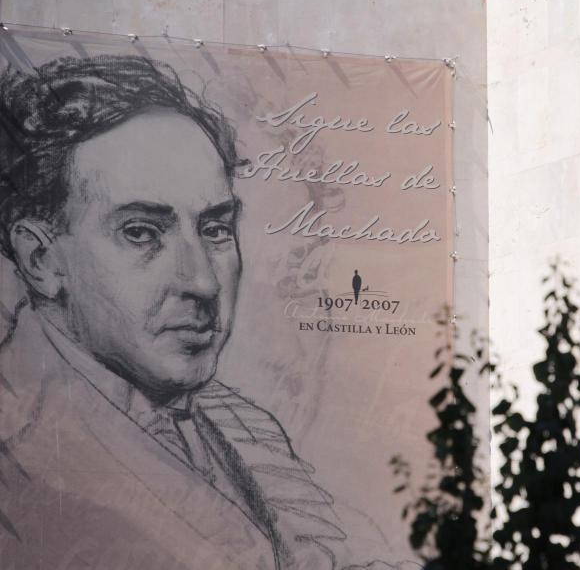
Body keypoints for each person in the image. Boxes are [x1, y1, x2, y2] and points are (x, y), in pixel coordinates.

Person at [0, 55, 401, 570]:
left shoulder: (240, 424)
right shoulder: (17, 446)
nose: (203, 282)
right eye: (141, 232)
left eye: (215, 229)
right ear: (41, 258)